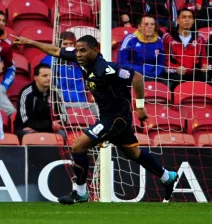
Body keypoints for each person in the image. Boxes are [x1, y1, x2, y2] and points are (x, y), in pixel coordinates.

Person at [13, 34, 178, 204]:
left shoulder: (106, 69)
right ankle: (167, 176)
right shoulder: (80, 57)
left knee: (78, 146)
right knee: (133, 153)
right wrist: (29, 41)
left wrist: (140, 107)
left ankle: (80, 192)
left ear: (95, 50)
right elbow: (55, 50)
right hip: (111, 117)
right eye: (77, 51)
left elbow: (137, 77)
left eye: (83, 51)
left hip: (116, 118)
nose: (78, 54)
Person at [40, 31, 98, 115]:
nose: (68, 47)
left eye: (71, 44)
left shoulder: (81, 60)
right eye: (65, 44)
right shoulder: (50, 61)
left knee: (97, 109)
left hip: (81, 103)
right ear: (59, 45)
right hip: (61, 104)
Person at [15, 63, 66, 142]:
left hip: (49, 128)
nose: (49, 78)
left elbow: (63, 117)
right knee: (27, 135)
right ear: (36, 78)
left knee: (62, 135)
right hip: (28, 128)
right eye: (45, 76)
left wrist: (53, 126)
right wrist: (49, 125)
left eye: (50, 75)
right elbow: (24, 120)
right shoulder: (26, 93)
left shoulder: (56, 92)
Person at [162, 8, 209, 89]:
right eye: (184, 17)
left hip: (194, 72)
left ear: (193, 21)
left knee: (206, 77)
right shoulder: (168, 37)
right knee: (177, 79)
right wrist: (175, 68)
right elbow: (165, 60)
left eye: (190, 17)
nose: (187, 20)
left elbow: (203, 58)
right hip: (176, 73)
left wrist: (205, 66)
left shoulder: (200, 38)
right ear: (177, 20)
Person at [118, 15, 164, 80]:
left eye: (152, 24)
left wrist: (155, 75)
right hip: (132, 74)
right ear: (139, 27)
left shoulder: (159, 41)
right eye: (146, 24)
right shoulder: (130, 39)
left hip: (151, 76)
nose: (150, 27)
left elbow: (160, 63)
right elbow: (121, 62)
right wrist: (143, 71)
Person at [0, 11, 16, 140]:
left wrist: (4, 86)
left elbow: (10, 67)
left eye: (3, 21)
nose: (1, 23)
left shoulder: (6, 45)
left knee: (11, 111)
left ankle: (18, 131)